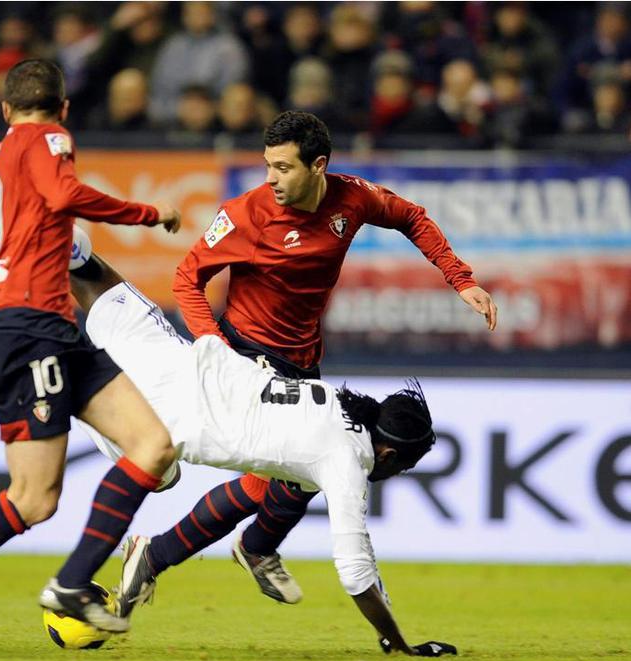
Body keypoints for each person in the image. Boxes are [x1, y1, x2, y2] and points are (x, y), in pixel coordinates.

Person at [0, 58, 182, 656]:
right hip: (29, 335)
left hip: (52, 331)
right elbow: (61, 192)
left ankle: (71, 583)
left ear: (4, 109)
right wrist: (149, 214)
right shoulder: (50, 138)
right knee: (34, 498)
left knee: (154, 446)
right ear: (63, 108)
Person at [151, 110, 498, 607]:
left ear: (318, 166)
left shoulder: (351, 198)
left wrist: (460, 280)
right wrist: (214, 347)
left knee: (298, 479)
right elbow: (187, 279)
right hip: (249, 353)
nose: (271, 178)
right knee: (277, 479)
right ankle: (175, 553)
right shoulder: (247, 215)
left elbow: (412, 217)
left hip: (302, 357)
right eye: (268, 165)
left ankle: (237, 549)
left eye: (283, 167)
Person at [69, 233, 458, 658]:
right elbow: (356, 573)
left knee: (89, 271)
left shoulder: (328, 400)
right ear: (387, 454)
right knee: (161, 474)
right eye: (400, 469)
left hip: (171, 355)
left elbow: (282, 487)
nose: (394, 476)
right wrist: (398, 644)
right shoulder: (344, 464)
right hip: (147, 418)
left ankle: (52, 238)